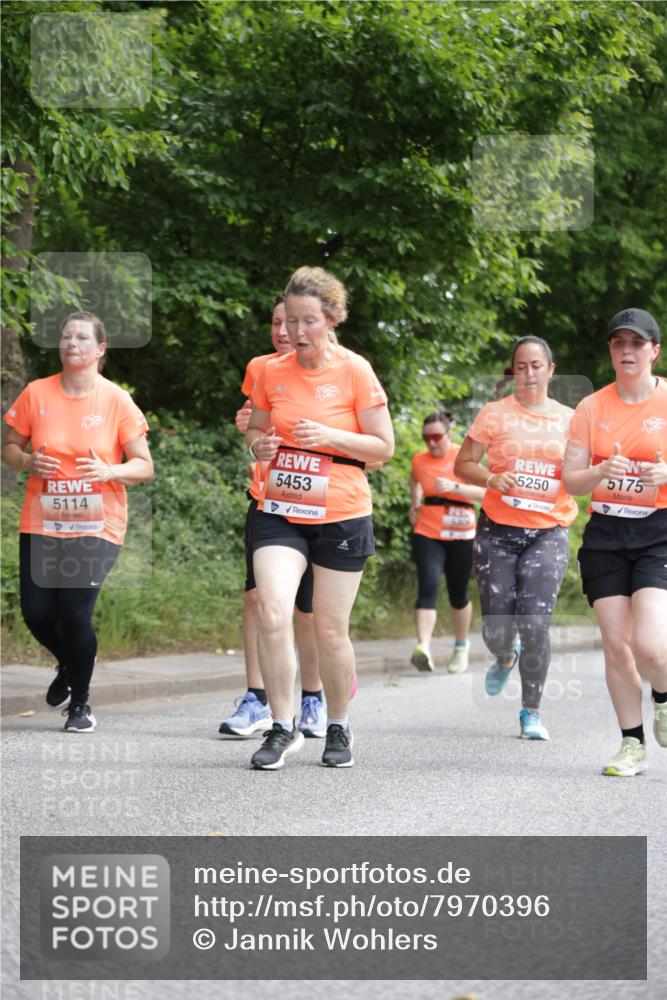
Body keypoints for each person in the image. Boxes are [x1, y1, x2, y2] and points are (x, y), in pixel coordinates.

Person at [245, 266, 394, 769]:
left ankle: (339, 724)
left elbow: (383, 446)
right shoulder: (270, 371)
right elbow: (256, 433)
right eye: (290, 321)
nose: (296, 333)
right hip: (281, 510)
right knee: (271, 609)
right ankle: (281, 726)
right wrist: (260, 445)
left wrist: (331, 438)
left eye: (309, 322)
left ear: (332, 319)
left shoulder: (355, 370)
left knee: (330, 629)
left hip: (342, 514)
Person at [2, 311, 153, 732]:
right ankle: (72, 663)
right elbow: (10, 447)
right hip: (43, 520)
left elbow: (144, 466)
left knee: (73, 613)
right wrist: (28, 461)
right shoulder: (35, 393)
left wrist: (110, 472)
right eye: (67, 337)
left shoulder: (116, 400)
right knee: (35, 613)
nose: (71, 343)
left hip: (97, 522)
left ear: (100, 350)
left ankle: (81, 704)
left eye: (82, 338)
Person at [454, 336, 577, 740]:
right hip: (498, 532)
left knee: (535, 622)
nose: (528, 373)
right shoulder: (494, 414)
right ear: (514, 371)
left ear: (551, 369)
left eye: (536, 365)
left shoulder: (571, 420)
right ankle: (505, 657)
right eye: (521, 366)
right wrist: (491, 478)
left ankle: (531, 713)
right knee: (496, 629)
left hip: (548, 531)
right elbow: (463, 464)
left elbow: (582, 474)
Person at [562, 308, 667, 776]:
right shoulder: (591, 408)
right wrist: (601, 471)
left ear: (654, 351)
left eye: (637, 344)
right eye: (619, 343)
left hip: (658, 532)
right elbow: (571, 480)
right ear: (611, 350)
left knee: (652, 647)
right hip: (605, 535)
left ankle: (662, 696)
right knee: (616, 644)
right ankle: (632, 744)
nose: (627, 351)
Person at [218, 297, 326, 739]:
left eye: (292, 322)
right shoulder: (260, 369)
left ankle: (314, 697)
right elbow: (253, 427)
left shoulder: (330, 370)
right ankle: (256, 698)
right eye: (276, 321)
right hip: (268, 501)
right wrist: (251, 435)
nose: (283, 330)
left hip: (321, 506)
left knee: (309, 613)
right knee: (260, 601)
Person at [409, 411, 485, 674]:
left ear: (448, 434)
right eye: (426, 437)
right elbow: (415, 480)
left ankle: (461, 646)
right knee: (427, 586)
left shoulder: (463, 458)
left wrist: (455, 488)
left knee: (458, 593)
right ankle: (423, 648)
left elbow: (487, 492)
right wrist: (414, 502)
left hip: (462, 535)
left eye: (437, 437)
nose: (431, 442)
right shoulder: (419, 460)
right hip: (428, 532)